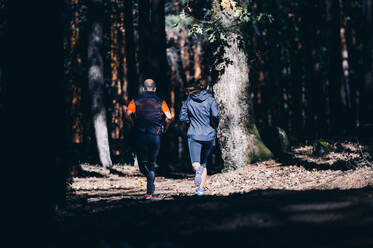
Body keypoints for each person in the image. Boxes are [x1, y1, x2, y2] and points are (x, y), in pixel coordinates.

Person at [125, 79, 172, 200]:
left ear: (143, 89)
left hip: (140, 135)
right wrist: (165, 128)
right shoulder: (161, 101)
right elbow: (169, 117)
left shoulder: (136, 101)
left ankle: (149, 181)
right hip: (155, 136)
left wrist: (133, 125)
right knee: (152, 163)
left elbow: (127, 115)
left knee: (142, 165)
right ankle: (149, 193)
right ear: (155, 89)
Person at [179, 80, 220, 196]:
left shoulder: (189, 101)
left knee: (196, 164)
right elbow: (216, 115)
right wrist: (213, 124)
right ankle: (200, 191)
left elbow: (182, 117)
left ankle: (198, 173)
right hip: (209, 135)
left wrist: (190, 121)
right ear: (207, 87)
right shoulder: (211, 100)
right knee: (203, 163)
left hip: (194, 135)